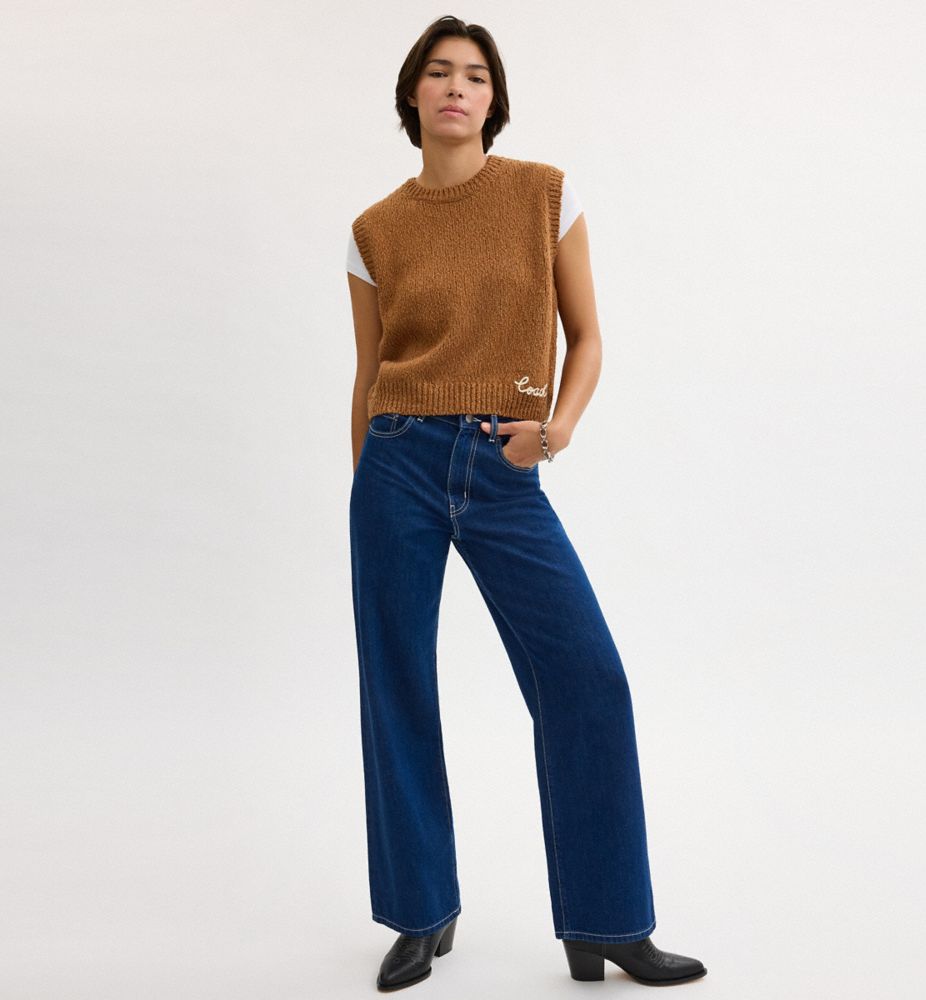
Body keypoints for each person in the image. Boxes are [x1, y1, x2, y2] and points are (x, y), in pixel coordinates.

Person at [346, 15, 707, 992]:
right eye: (438, 73)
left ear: (493, 100)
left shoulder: (543, 194)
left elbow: (586, 336)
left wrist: (557, 428)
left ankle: (609, 922)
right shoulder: (373, 230)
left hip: (502, 464)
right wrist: (362, 486)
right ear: (412, 94)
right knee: (396, 684)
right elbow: (368, 374)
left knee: (587, 677)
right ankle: (420, 911)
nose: (456, 88)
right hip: (394, 464)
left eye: (474, 76)